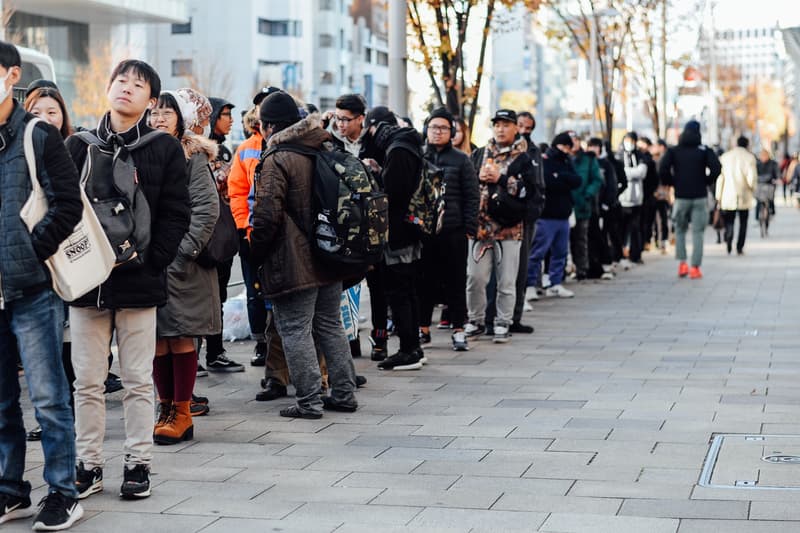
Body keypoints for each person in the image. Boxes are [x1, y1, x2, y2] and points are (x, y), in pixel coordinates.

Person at [65, 59, 191, 500]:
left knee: (138, 380)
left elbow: (179, 212)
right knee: (87, 381)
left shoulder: (164, 149)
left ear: (150, 100)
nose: (127, 88)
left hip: (140, 282)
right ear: (107, 87)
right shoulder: (78, 145)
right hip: (86, 284)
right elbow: (60, 208)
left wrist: (155, 261)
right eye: (121, 81)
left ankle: (138, 463)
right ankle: (89, 463)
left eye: (138, 85)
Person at [0, 40, 84, 531]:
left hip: (32, 290)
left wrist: (33, 248)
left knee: (50, 398)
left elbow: (68, 205)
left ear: (11, 75)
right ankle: (10, 490)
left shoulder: (36, 134)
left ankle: (64, 492)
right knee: (2, 402)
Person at [249, 91, 358, 417]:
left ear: (268, 127)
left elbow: (266, 217)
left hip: (292, 260)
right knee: (330, 325)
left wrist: (257, 252)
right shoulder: (325, 147)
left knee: (294, 328)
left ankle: (308, 400)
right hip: (329, 254)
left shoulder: (276, 159)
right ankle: (343, 393)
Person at [148, 89, 220, 444]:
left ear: (181, 119)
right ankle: (165, 407)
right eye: (155, 112)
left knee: (180, 337)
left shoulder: (192, 156)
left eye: (167, 112)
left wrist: (181, 254)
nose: (159, 118)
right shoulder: (141, 151)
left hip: (181, 264)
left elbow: (207, 210)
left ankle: (183, 411)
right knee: (157, 339)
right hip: (150, 263)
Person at [360, 106, 426, 369]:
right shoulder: (406, 144)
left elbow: (394, 195)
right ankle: (413, 348)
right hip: (410, 229)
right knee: (406, 290)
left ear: (376, 127)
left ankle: (409, 350)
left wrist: (376, 174)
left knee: (399, 291)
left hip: (399, 232)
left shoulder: (398, 150)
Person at [465, 109, 535, 343]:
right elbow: (466, 185)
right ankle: (475, 321)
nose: (501, 129)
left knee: (506, 281)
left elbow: (530, 192)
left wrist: (501, 179)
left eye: (506, 124)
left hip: (510, 229)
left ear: (516, 128)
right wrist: (478, 177)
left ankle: (503, 322)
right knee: (475, 278)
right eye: (497, 124)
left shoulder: (525, 158)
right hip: (480, 228)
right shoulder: (479, 154)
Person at [417, 107, 479, 352]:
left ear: (452, 132)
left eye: (443, 128)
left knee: (455, 282)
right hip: (424, 231)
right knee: (424, 282)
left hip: (454, 231)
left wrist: (468, 227)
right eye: (433, 127)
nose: (437, 132)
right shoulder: (419, 156)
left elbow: (472, 196)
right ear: (426, 130)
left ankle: (458, 330)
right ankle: (422, 329)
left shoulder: (461, 159)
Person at [228, 87, 280, 367]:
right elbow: (237, 191)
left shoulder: (289, 142)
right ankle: (262, 343)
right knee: (254, 291)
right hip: (250, 232)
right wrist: (243, 225)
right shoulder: (246, 147)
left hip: (282, 235)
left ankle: (281, 347)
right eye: (259, 107)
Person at [202, 96, 244, 372]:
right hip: (207, 234)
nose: (230, 120)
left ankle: (215, 351)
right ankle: (199, 355)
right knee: (204, 297)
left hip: (225, 233)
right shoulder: (202, 150)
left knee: (219, 295)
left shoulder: (225, 150)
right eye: (225, 114)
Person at [658, 120, 721, 279]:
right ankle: (695, 268)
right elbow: (717, 168)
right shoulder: (704, 150)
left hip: (681, 197)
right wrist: (706, 181)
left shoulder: (674, 151)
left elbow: (662, 168)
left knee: (680, 230)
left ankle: (682, 264)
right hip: (699, 196)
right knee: (698, 232)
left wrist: (672, 182)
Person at [527, 131, 582, 298]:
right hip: (546, 215)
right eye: (563, 146)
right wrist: (563, 180)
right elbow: (548, 182)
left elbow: (577, 180)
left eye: (568, 147)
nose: (565, 149)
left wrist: (561, 177)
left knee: (560, 253)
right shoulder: (545, 161)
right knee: (537, 253)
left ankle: (555, 283)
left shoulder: (567, 161)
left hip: (563, 215)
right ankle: (529, 285)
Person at [569, 135, 603, 280]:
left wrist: (587, 195)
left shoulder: (588, 159)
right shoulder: (562, 159)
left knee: (581, 238)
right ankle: (566, 269)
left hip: (582, 205)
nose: (573, 143)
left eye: (575, 140)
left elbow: (597, 180)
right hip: (566, 205)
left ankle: (582, 269)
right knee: (565, 240)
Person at [716, 136, 756, 255]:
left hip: (727, 194)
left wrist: (718, 195)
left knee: (729, 220)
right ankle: (739, 246)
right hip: (743, 194)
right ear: (747, 144)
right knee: (743, 221)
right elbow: (751, 177)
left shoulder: (725, 157)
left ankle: (729, 238)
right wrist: (753, 188)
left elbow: (720, 178)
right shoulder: (749, 158)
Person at [618, 132, 647, 268]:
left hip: (636, 198)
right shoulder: (619, 155)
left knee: (636, 228)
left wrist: (627, 172)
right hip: (622, 199)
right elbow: (620, 173)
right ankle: (621, 253)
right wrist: (631, 173)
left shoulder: (640, 156)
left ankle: (636, 254)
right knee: (621, 229)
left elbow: (641, 172)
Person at [755, 148, 780, 220]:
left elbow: (777, 172)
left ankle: (772, 212)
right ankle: (757, 217)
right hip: (760, 185)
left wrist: (777, 179)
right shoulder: (758, 164)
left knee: (771, 199)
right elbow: (754, 173)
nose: (763, 157)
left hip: (770, 184)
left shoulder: (773, 163)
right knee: (759, 200)